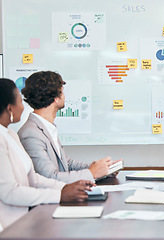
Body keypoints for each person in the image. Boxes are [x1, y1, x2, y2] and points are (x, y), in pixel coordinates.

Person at [0, 79, 94, 229]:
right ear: (10, 108)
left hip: (28, 219)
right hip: (11, 226)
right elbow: (10, 192)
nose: (24, 106)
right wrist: (59, 195)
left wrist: (65, 187)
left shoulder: (10, 134)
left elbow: (33, 179)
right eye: (19, 100)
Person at [18, 71, 115, 184]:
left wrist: (99, 168)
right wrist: (92, 173)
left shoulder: (46, 127)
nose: (64, 96)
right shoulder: (31, 133)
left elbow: (66, 164)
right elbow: (49, 177)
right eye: (62, 92)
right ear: (56, 98)